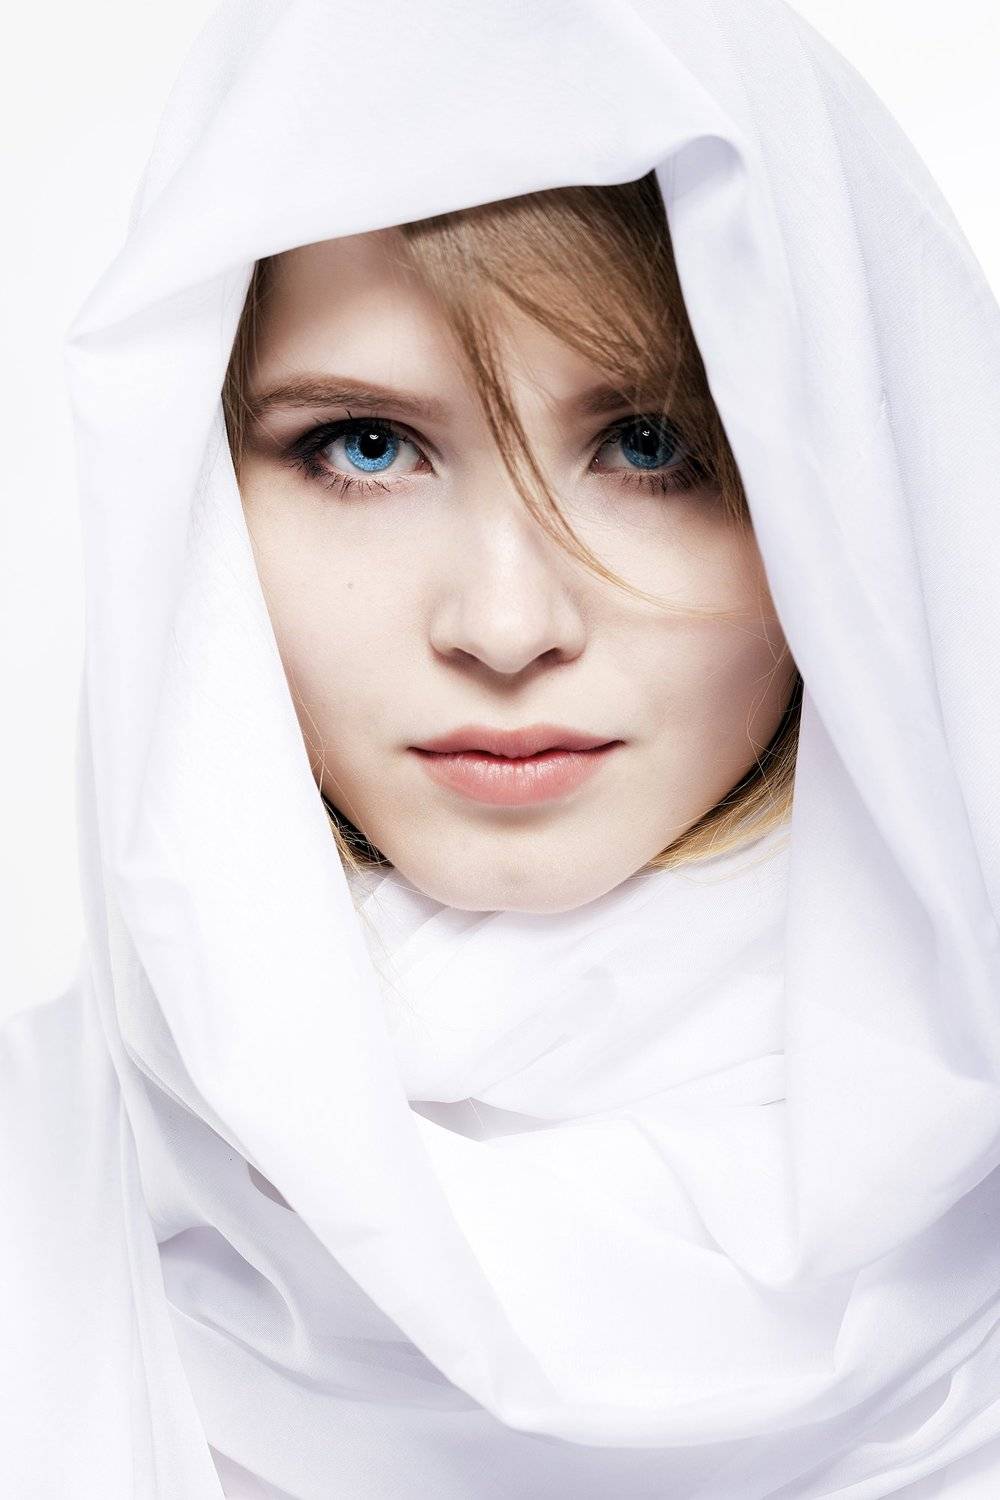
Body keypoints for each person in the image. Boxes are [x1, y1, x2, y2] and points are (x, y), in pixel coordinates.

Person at [2, 1, 999, 1496]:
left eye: (652, 443)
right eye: (363, 445)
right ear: (194, 506)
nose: (507, 622)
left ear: (854, 484)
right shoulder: (35, 1190)